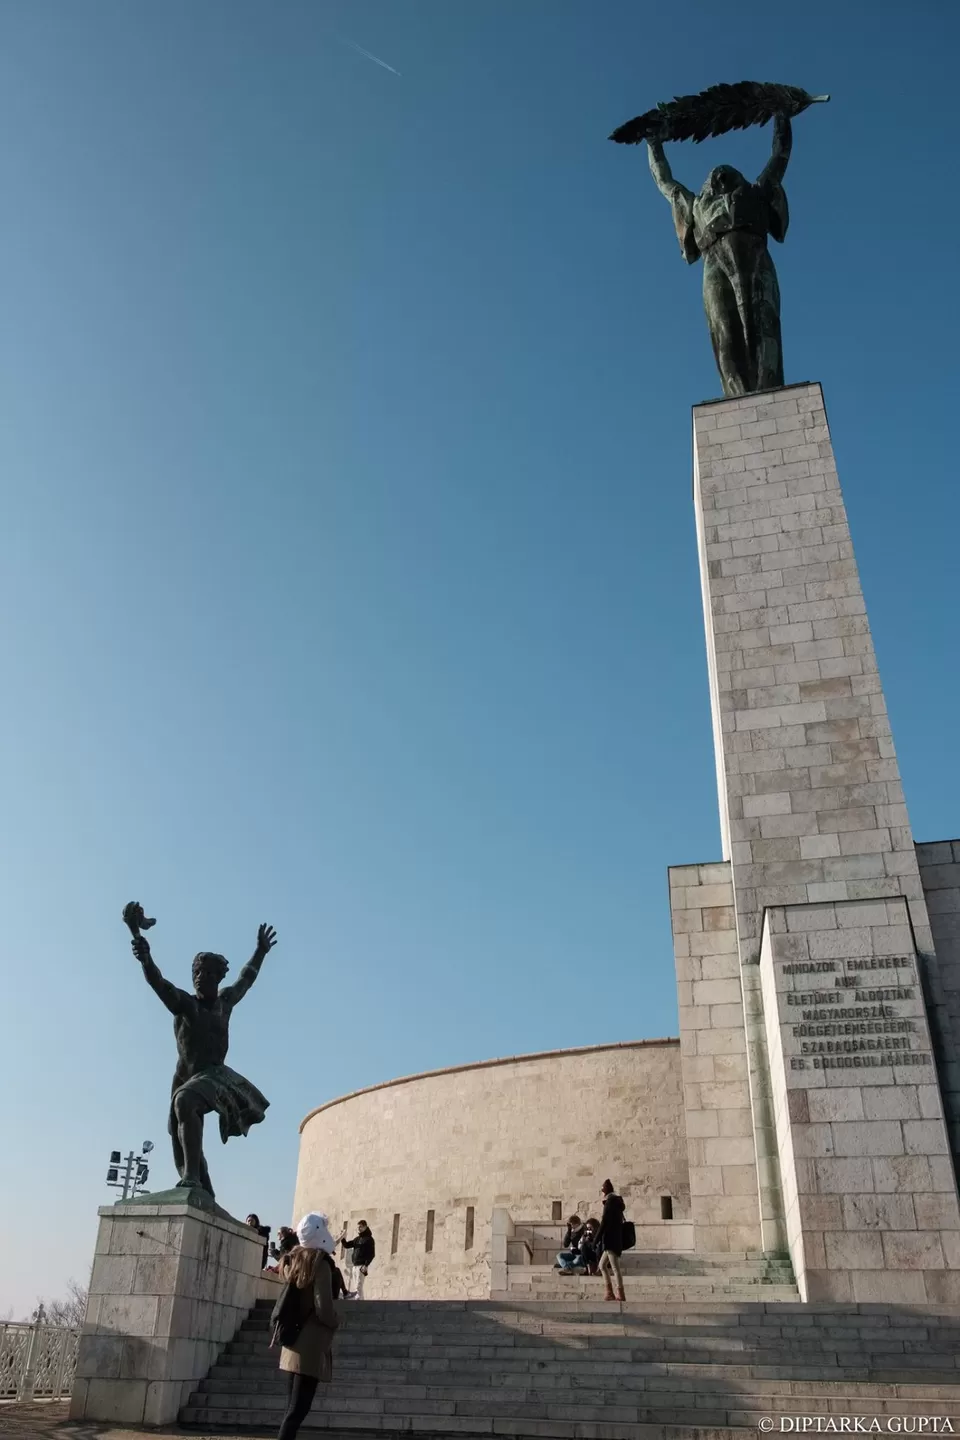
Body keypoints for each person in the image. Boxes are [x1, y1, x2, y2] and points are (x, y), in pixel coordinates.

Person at [646, 114, 792, 398]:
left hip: (757, 262)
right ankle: (735, 394)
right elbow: (665, 182)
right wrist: (654, 143)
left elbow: (780, 156)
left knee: (765, 328)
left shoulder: (757, 192)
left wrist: (782, 115)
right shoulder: (697, 204)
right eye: (714, 176)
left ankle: (769, 388)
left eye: (727, 172)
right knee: (725, 331)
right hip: (715, 265)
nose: (719, 175)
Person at [273, 1212, 341, 1440]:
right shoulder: (319, 1265)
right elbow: (323, 1308)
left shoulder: (292, 1261)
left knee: (290, 1409)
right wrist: (336, 1320)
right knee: (298, 1410)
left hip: (291, 1340)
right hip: (309, 1346)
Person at [595, 1180, 626, 1302]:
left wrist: (596, 1239)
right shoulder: (616, 1203)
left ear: (605, 1191)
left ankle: (620, 1293)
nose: (602, 1193)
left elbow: (604, 1223)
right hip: (613, 1240)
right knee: (602, 1265)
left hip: (611, 1241)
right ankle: (609, 1293)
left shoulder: (610, 1203)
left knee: (615, 1268)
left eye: (602, 1190)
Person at [339, 1220, 375, 1299]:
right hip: (355, 1266)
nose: (359, 1229)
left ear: (365, 1227)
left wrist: (366, 1265)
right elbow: (347, 1245)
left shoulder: (369, 1239)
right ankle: (361, 1303)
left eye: (360, 1227)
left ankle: (359, 1304)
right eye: (358, 1227)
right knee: (356, 1287)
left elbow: (372, 1254)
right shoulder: (357, 1239)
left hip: (362, 1266)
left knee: (358, 1287)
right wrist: (342, 1237)